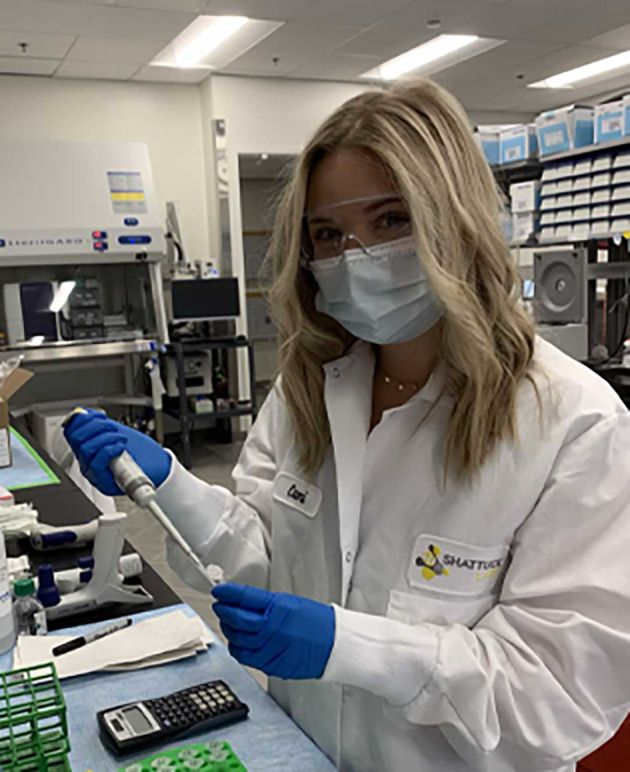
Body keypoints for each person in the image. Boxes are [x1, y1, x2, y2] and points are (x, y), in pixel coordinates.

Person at [64, 78, 630, 772]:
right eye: (329, 234)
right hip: (303, 752)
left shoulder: (573, 424)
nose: (355, 258)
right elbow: (270, 561)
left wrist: (352, 649)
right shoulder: (312, 389)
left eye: (391, 220)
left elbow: (557, 696)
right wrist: (170, 486)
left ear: (457, 218)